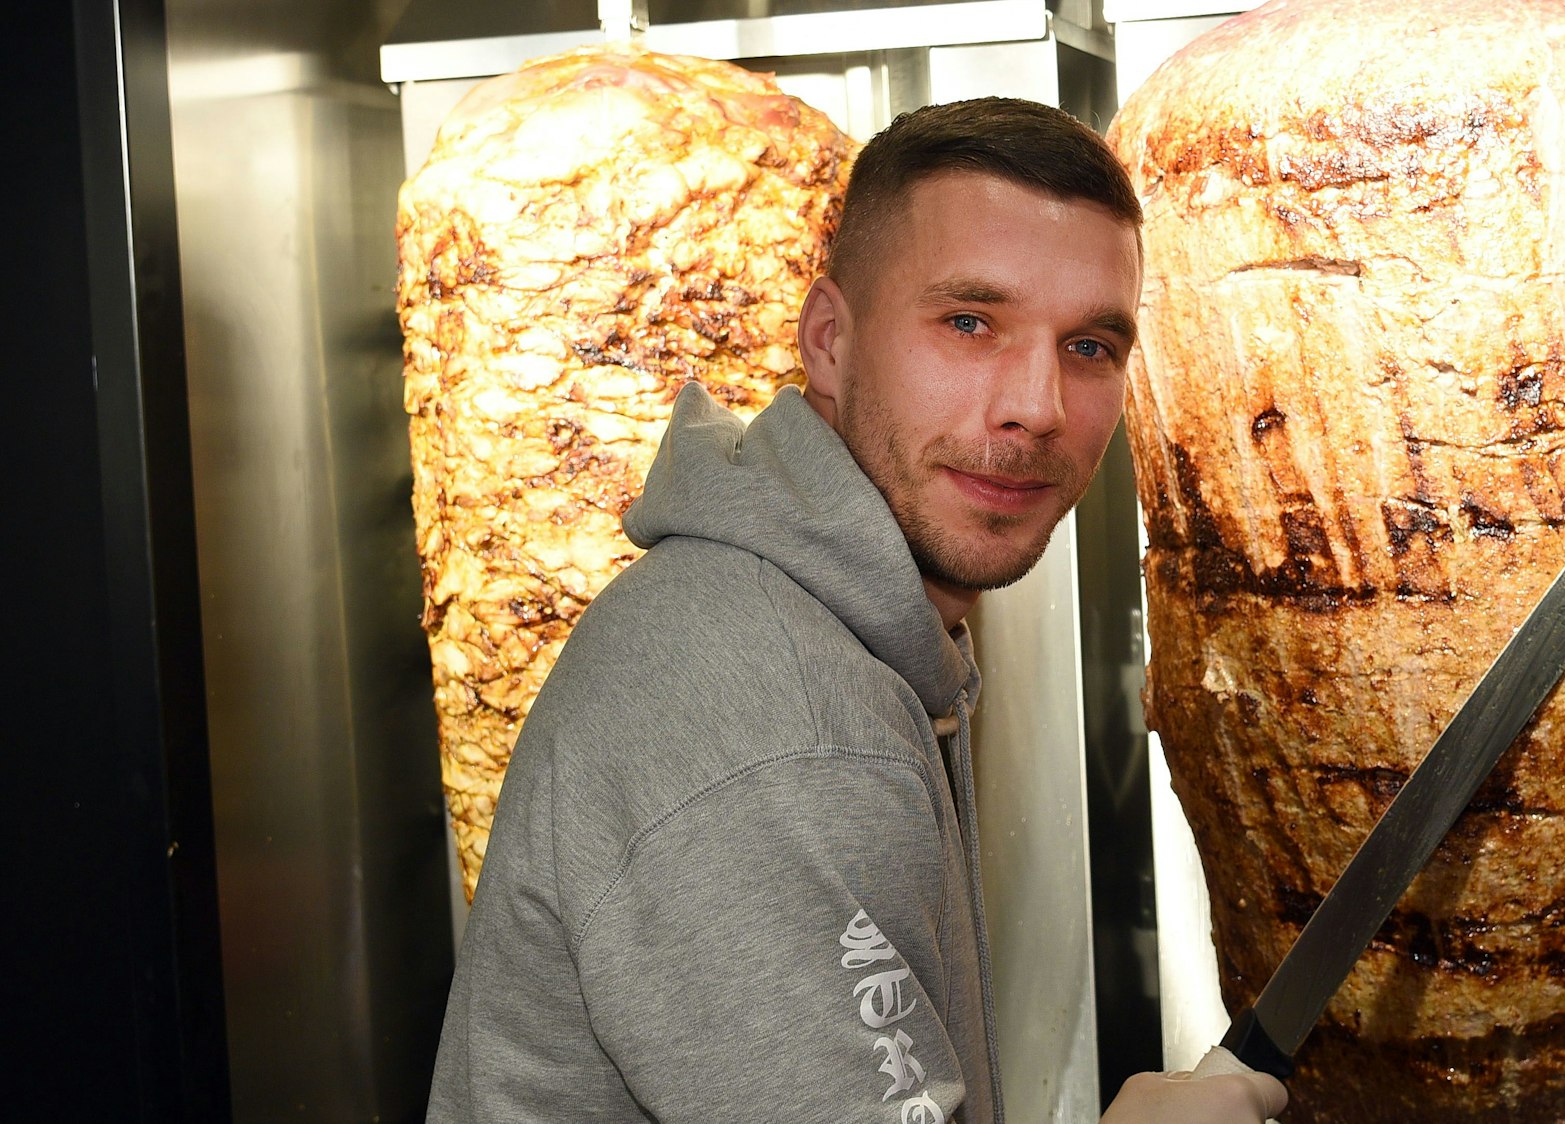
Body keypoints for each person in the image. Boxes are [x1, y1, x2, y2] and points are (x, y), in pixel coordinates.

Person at [426, 96, 1287, 1123]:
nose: (1036, 404)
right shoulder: (783, 726)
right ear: (829, 340)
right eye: (970, 322)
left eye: (1090, 346)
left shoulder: (830, 630)